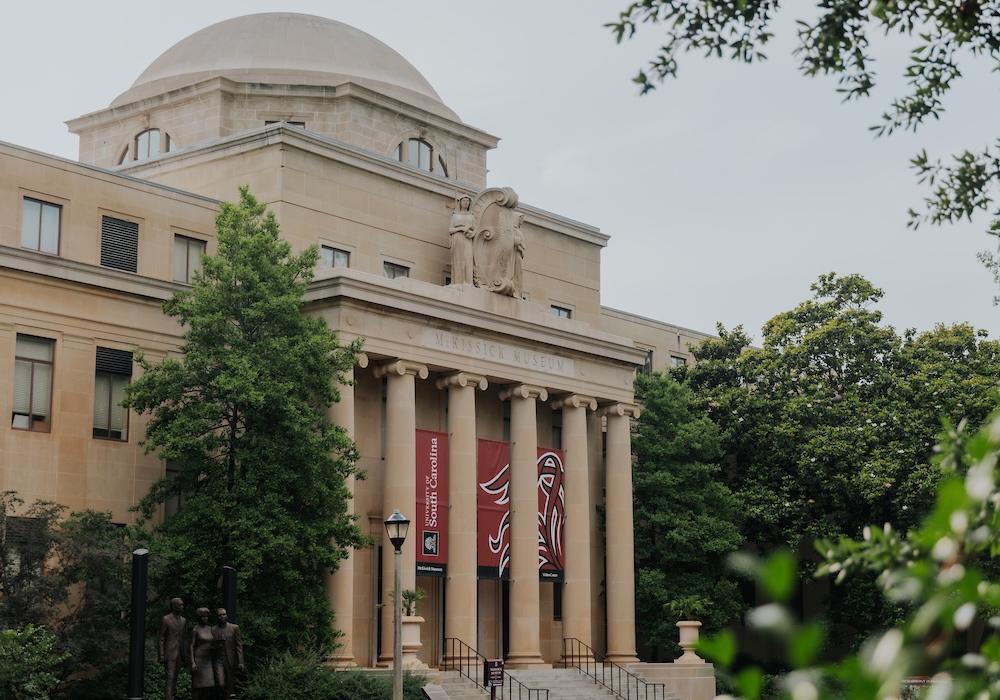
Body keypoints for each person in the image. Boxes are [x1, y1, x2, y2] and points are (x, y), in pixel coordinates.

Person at [157, 598, 187, 700]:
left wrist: (184, 654)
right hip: (169, 653)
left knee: (174, 677)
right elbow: (161, 638)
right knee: (170, 677)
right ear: (173, 606)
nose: (182, 607)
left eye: (182, 605)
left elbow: (183, 638)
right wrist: (161, 654)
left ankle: (171, 696)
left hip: (179, 652)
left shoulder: (183, 621)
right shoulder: (166, 619)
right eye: (180, 605)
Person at [212, 608, 244, 699]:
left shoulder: (234, 628)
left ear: (227, 616)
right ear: (217, 617)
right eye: (220, 615)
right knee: (221, 683)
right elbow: (210, 646)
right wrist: (216, 645)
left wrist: (241, 662)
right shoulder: (213, 629)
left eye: (224, 614)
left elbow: (239, 645)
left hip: (230, 659)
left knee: (229, 685)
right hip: (218, 659)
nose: (222, 616)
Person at [448, 194, 475, 286]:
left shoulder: (471, 216)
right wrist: (461, 228)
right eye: (464, 201)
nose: (466, 203)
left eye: (467, 201)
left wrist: (472, 234)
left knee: (468, 259)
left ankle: (468, 282)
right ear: (460, 202)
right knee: (458, 259)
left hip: (467, 239)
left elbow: (475, 229)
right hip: (458, 238)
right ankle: (458, 282)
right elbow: (450, 229)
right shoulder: (455, 216)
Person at [190, 607, 216, 700]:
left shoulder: (210, 629)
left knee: (209, 684)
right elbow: (192, 646)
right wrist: (193, 662)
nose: (206, 619)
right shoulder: (195, 630)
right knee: (198, 685)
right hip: (199, 658)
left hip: (208, 660)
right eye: (203, 617)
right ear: (199, 618)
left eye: (207, 617)